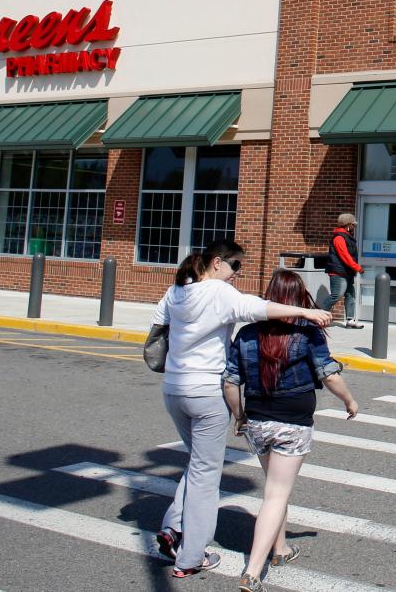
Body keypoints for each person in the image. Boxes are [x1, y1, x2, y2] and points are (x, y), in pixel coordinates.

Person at [152, 239, 332, 578]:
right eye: (236, 266)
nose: (238, 273)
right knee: (206, 474)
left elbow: (158, 325)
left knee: (197, 463)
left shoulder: (177, 290)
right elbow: (259, 308)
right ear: (217, 263)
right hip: (205, 392)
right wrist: (305, 311)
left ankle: (172, 527)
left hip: (173, 388)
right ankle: (190, 557)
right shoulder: (218, 293)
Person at [223, 269, 359, 592]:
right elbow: (329, 375)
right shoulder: (307, 332)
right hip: (292, 423)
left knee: (274, 487)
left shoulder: (247, 335)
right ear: (298, 299)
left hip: (257, 419)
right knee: (276, 494)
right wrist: (350, 401)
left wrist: (239, 416)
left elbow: (230, 382)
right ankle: (253, 572)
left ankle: (280, 550)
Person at [320, 213, 363, 328]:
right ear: (347, 225)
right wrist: (357, 267)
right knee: (336, 295)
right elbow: (345, 256)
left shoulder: (347, 236)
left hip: (347, 272)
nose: (354, 227)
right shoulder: (339, 238)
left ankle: (350, 320)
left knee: (350, 295)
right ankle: (319, 317)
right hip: (338, 272)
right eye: (353, 225)